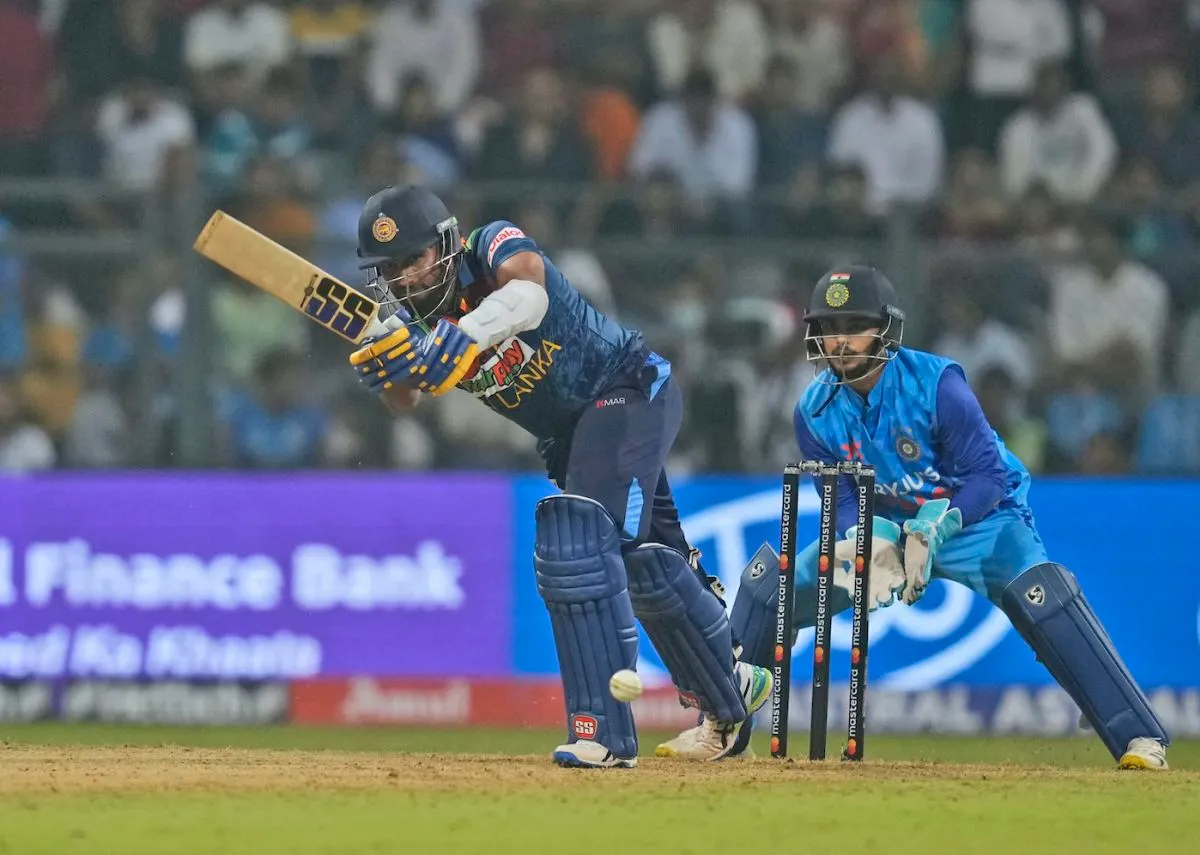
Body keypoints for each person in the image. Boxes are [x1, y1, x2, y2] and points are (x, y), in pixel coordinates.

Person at [347, 184, 771, 767]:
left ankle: (602, 734)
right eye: (390, 271)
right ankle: (732, 685)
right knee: (646, 561)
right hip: (571, 438)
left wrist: (466, 335)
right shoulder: (411, 321)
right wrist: (388, 361)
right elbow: (405, 400)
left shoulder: (489, 245)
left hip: (625, 389)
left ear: (444, 243)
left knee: (583, 545)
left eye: (414, 260)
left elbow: (531, 292)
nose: (406, 280)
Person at [730, 265, 1169, 770]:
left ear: (886, 329)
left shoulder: (938, 385)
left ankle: (1139, 738)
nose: (840, 341)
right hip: (885, 527)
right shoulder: (813, 409)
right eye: (828, 328)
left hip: (977, 521)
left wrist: (938, 529)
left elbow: (988, 477)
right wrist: (865, 538)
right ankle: (721, 722)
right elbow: (845, 499)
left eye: (854, 325)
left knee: (1044, 596)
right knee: (772, 590)